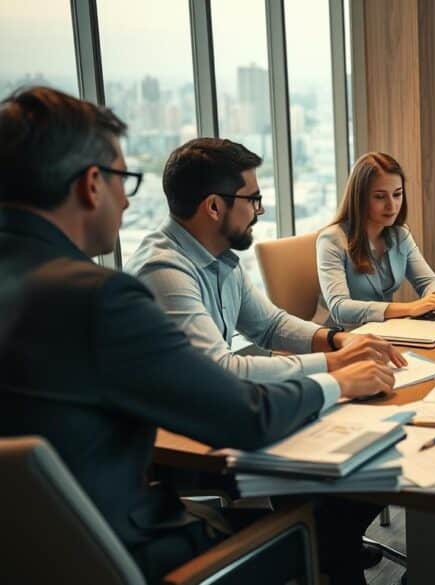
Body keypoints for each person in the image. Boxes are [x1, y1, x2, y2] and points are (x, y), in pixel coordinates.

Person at [0, 86, 395, 584]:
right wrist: (339, 379)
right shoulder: (101, 298)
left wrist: (333, 342)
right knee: (326, 519)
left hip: (38, 554)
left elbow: (266, 323)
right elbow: (245, 417)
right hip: (132, 553)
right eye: (125, 180)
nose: (126, 201)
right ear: (92, 185)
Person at [124, 137, 408, 384]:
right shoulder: (163, 271)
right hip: (164, 434)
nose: (258, 212)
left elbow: (271, 325)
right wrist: (335, 362)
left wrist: (339, 340)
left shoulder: (219, 256)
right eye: (253, 200)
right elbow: (222, 370)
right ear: (213, 207)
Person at [317, 152, 435, 328]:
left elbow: (428, 282)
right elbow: (340, 308)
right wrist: (410, 308)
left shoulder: (399, 235)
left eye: (397, 194)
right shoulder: (332, 240)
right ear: (360, 198)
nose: (392, 206)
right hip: (341, 336)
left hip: (384, 330)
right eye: (380, 197)